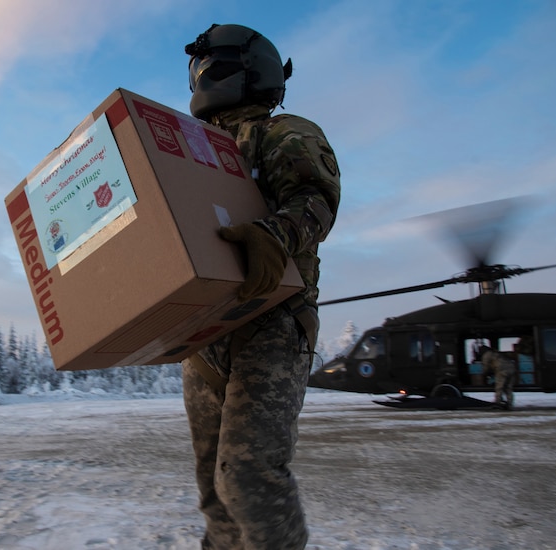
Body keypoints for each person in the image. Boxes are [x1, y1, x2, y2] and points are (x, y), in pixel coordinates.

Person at [181, 24, 341, 549]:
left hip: (271, 322)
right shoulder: (188, 147)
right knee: (212, 486)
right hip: (206, 330)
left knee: (247, 476)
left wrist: (275, 235)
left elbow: (315, 199)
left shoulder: (285, 132)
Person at [480, 345, 516, 410]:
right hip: (511, 368)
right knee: (508, 388)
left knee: (499, 387)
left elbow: (485, 367)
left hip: (502, 370)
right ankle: (510, 404)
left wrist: (484, 375)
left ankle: (498, 403)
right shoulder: (496, 353)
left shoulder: (486, 355)